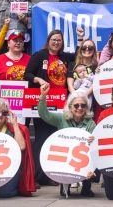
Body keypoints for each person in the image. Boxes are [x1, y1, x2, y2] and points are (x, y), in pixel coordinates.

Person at [25, 30, 77, 186]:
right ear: (48, 41)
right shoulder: (39, 55)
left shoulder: (65, 58)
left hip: (61, 103)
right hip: (42, 102)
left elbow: (80, 56)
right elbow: (27, 74)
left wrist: (80, 38)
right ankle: (39, 175)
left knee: (57, 139)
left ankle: (53, 173)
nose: (56, 42)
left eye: (59, 40)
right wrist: (39, 79)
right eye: (54, 39)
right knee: (41, 138)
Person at [38, 88, 96, 197]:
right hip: (65, 157)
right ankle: (65, 184)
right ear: (70, 107)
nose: (79, 108)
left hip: (83, 156)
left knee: (91, 155)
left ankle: (86, 186)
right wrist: (43, 97)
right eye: (76, 105)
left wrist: (94, 139)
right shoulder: (62, 118)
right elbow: (44, 114)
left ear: (86, 108)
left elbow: (94, 145)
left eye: (83, 105)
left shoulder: (91, 123)